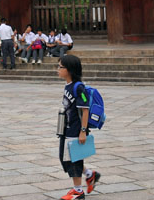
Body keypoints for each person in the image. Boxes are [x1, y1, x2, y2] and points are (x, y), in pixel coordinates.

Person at [57, 54, 100, 199]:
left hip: (75, 129)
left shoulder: (78, 87)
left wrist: (83, 131)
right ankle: (90, 175)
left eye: (60, 67)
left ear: (69, 69)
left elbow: (85, 110)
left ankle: (78, 191)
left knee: (73, 160)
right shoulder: (68, 85)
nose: (58, 69)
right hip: (66, 128)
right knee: (67, 158)